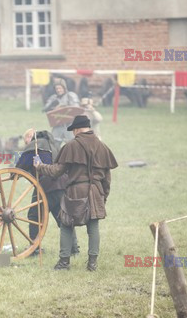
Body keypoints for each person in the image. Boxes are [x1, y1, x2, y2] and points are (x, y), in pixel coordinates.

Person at [34, 115, 118, 271]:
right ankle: (92, 264)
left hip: (76, 191)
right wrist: (103, 196)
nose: (72, 133)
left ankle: (64, 262)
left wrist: (40, 166)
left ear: (78, 129)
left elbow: (56, 171)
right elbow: (107, 178)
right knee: (93, 226)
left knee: (66, 224)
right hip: (96, 191)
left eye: (73, 130)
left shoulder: (71, 146)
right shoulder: (102, 147)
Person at [16, 128, 79, 256]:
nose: (25, 143)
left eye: (26, 140)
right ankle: (74, 249)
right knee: (63, 219)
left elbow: (19, 167)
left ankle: (35, 249)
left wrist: (13, 175)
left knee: (34, 217)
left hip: (46, 187)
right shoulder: (53, 145)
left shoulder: (33, 147)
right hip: (62, 186)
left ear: (30, 137)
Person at [43, 78, 80, 146]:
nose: (58, 90)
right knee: (53, 144)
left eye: (60, 88)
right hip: (58, 124)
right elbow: (45, 109)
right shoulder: (53, 98)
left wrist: (64, 107)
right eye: (57, 89)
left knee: (73, 144)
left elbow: (76, 109)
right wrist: (52, 106)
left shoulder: (70, 96)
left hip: (70, 124)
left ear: (64, 88)